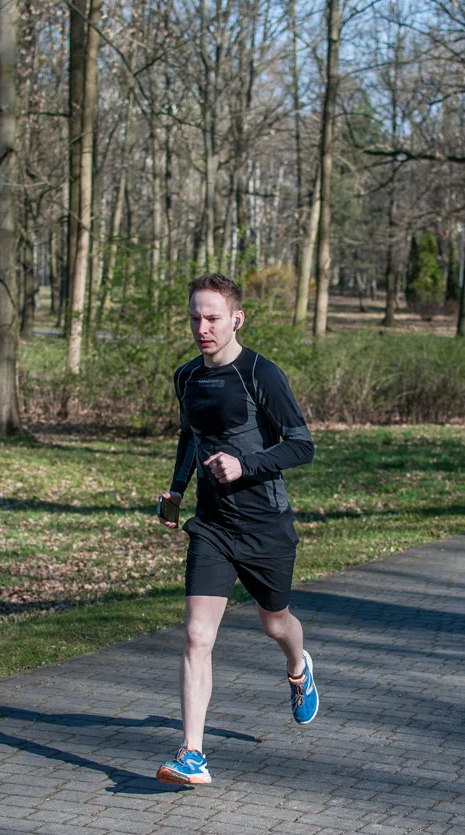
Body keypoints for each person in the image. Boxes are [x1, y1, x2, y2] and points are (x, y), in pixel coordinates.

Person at [155, 273, 317, 786]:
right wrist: (177, 490)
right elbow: (190, 437)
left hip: (266, 524)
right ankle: (192, 753)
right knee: (197, 635)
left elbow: (301, 445)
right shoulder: (186, 376)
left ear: (236, 319)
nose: (202, 328)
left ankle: (298, 667)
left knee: (275, 624)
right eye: (195, 318)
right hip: (213, 526)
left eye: (212, 318)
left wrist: (246, 465)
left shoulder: (260, 374)